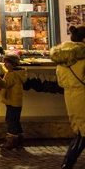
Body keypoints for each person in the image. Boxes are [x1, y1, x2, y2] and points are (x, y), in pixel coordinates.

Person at [51, 25, 85, 169]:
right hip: (83, 96)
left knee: (79, 130)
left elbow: (60, 81)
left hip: (70, 96)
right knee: (83, 133)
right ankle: (68, 161)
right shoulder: (82, 59)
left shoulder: (62, 59)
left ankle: (68, 161)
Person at [0, 54, 27, 150]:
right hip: (16, 101)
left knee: (10, 121)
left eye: (6, 62)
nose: (5, 64)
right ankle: (20, 139)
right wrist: (2, 68)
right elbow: (9, 76)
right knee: (16, 120)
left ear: (12, 64)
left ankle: (11, 141)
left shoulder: (12, 74)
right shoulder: (18, 72)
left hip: (11, 101)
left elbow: (5, 84)